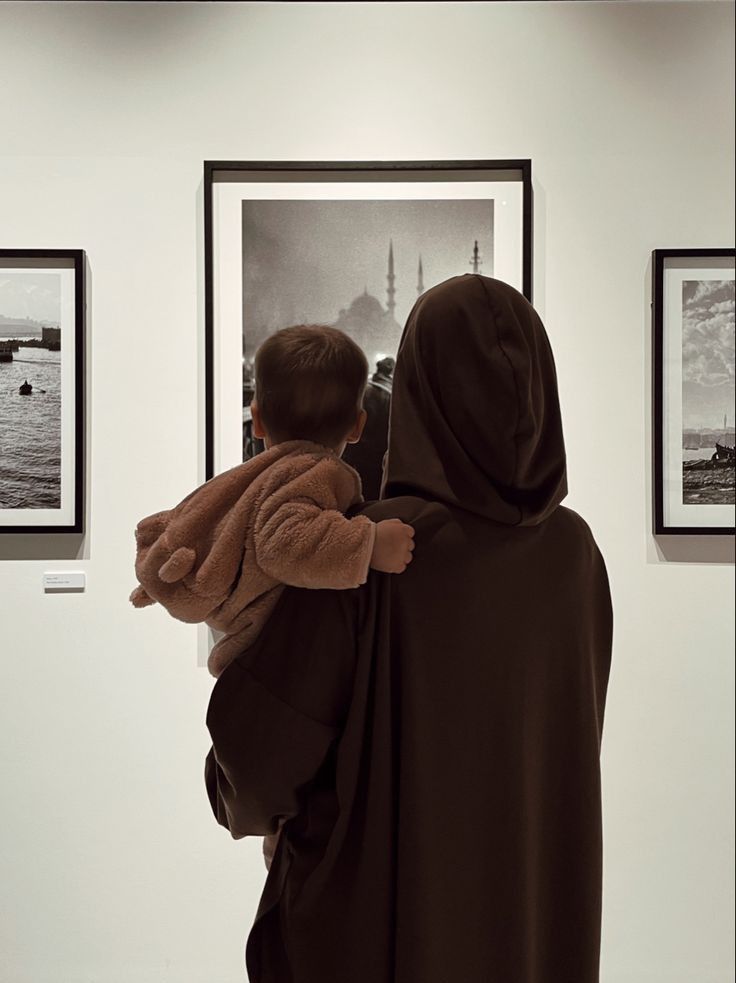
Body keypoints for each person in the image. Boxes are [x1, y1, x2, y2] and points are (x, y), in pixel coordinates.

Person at [205, 274, 614, 982]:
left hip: (372, 935)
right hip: (529, 929)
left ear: (418, 397)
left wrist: (236, 797)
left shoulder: (369, 551)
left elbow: (259, 759)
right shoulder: (576, 555)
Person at [129, 324, 414, 677]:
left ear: (258, 421)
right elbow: (283, 544)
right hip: (277, 655)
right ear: (358, 426)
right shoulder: (314, 470)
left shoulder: (266, 472)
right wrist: (368, 545)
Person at [342, 355, 395, 499]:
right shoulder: (393, 397)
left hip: (352, 454)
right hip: (376, 461)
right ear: (391, 373)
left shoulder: (362, 390)